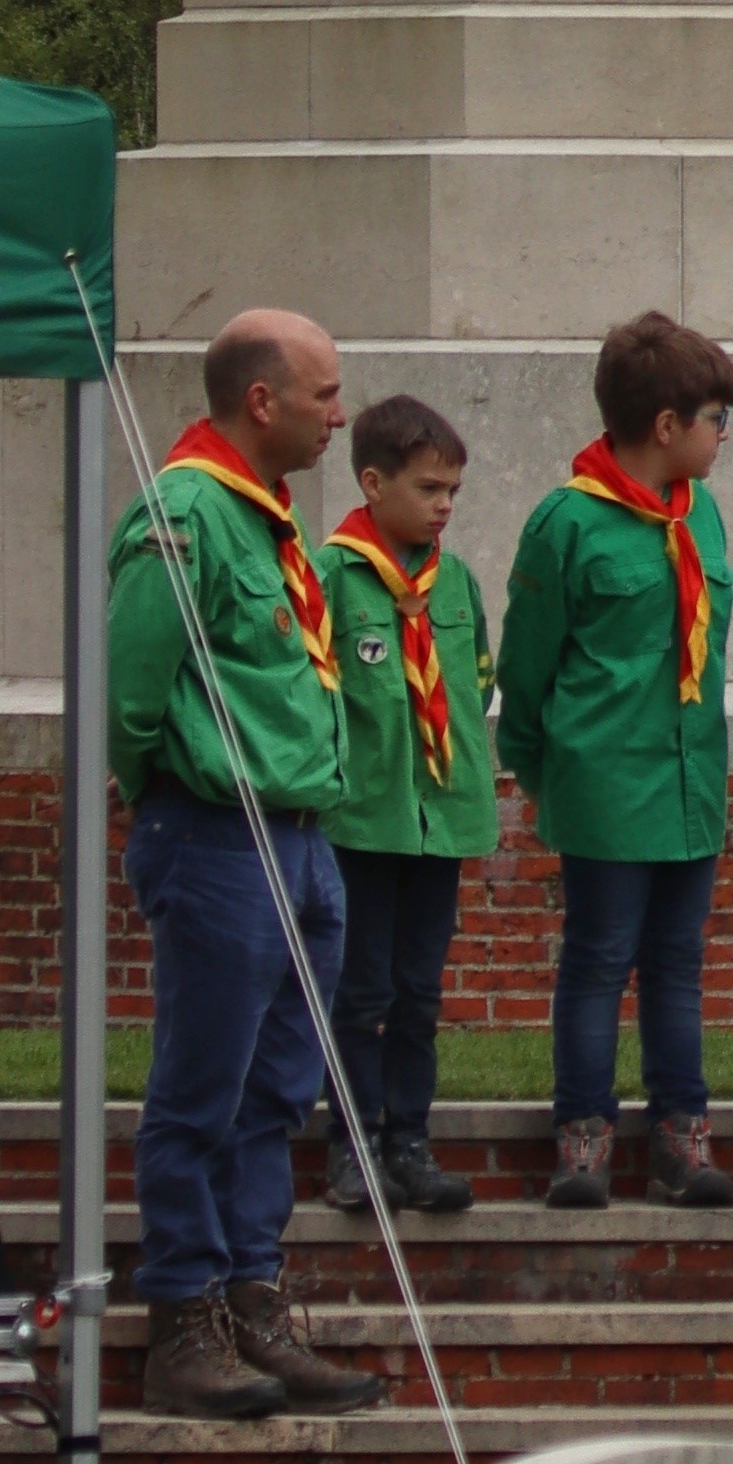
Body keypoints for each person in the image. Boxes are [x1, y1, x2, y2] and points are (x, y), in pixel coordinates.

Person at [102, 312, 389, 1421]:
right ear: (260, 401)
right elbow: (132, 693)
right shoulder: (184, 515)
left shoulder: (264, 522)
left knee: (277, 1091)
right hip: (222, 834)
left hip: (303, 840)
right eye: (324, 393)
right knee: (203, 1087)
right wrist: (174, 803)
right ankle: (183, 1316)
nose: (340, 413)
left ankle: (253, 1301)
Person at [495, 312, 733, 1214]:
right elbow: (527, 662)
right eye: (717, 416)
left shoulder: (700, 514)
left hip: (688, 780)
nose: (724, 435)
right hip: (605, 778)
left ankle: (683, 1140)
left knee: (677, 962)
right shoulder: (569, 522)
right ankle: (584, 1141)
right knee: (599, 958)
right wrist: (542, 763)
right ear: (667, 425)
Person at [320, 391, 496, 1220]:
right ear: (372, 482)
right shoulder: (329, 575)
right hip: (362, 820)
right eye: (429, 489)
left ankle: (409, 1143)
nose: (444, 506)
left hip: (439, 818)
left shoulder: (454, 581)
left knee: (419, 994)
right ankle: (351, 1146)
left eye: (453, 492)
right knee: (360, 994)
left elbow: (477, 679)